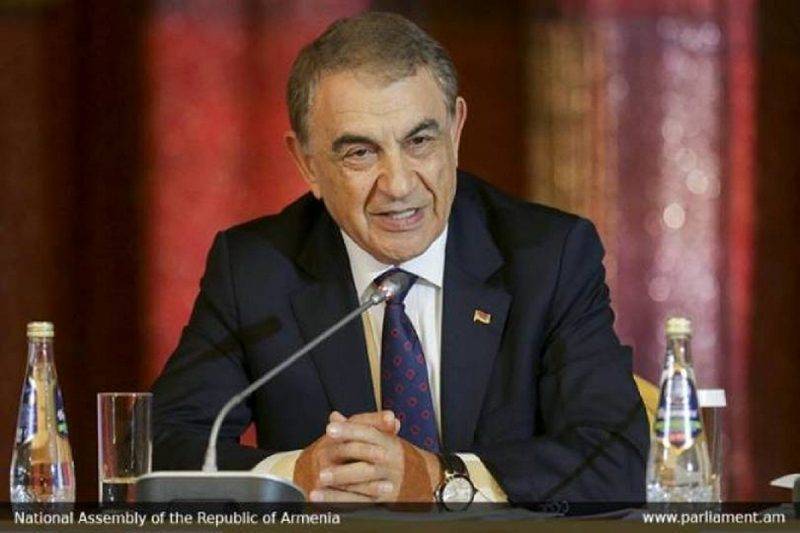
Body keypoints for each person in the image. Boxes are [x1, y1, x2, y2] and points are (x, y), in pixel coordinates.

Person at [151, 11, 648, 506]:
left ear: (455, 131)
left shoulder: (549, 257)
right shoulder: (255, 269)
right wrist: (295, 475)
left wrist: (440, 478)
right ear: (307, 163)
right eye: (360, 153)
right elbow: (162, 446)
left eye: (420, 141)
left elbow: (615, 458)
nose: (399, 184)